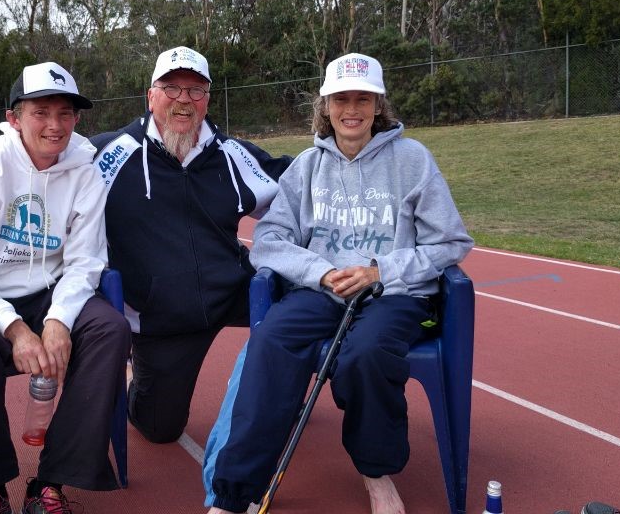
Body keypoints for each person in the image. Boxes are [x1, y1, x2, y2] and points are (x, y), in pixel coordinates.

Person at [0, 46, 291, 445]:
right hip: (161, 319)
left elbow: (299, 187)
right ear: (151, 96)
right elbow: (45, 153)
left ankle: (288, 384)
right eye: (171, 88)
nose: (183, 99)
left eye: (195, 90)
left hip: (232, 289)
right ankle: (135, 374)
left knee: (309, 302)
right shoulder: (106, 154)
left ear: (207, 100)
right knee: (159, 429)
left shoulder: (234, 155)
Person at [203, 53, 474, 514]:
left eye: (362, 99)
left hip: (393, 294)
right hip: (321, 290)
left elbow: (451, 242)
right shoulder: (307, 166)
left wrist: (380, 272)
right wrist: (321, 272)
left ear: (378, 105)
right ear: (325, 106)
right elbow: (268, 239)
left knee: (365, 355)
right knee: (270, 340)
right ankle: (235, 491)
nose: (352, 109)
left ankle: (376, 472)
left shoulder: (413, 160)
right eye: (341, 99)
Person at [0, 61, 131, 514]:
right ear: (14, 118)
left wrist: (58, 320)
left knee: (110, 331)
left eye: (65, 113)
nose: (54, 125)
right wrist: (15, 328)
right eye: (41, 112)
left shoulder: (86, 170)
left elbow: (86, 261)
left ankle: (51, 483)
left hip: (52, 291)